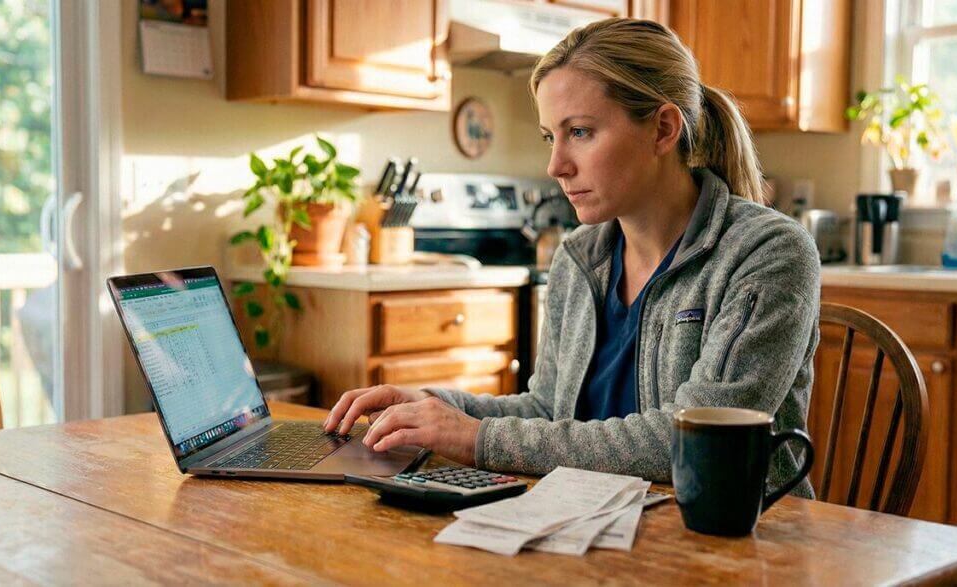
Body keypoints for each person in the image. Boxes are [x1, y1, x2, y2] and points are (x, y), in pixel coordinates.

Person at [323, 18, 820, 496]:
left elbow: (696, 440)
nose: (556, 165)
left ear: (664, 130)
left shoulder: (766, 253)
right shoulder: (580, 259)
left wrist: (474, 438)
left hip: (737, 548)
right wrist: (434, 406)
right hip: (602, 525)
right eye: (550, 136)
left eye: (579, 131)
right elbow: (549, 410)